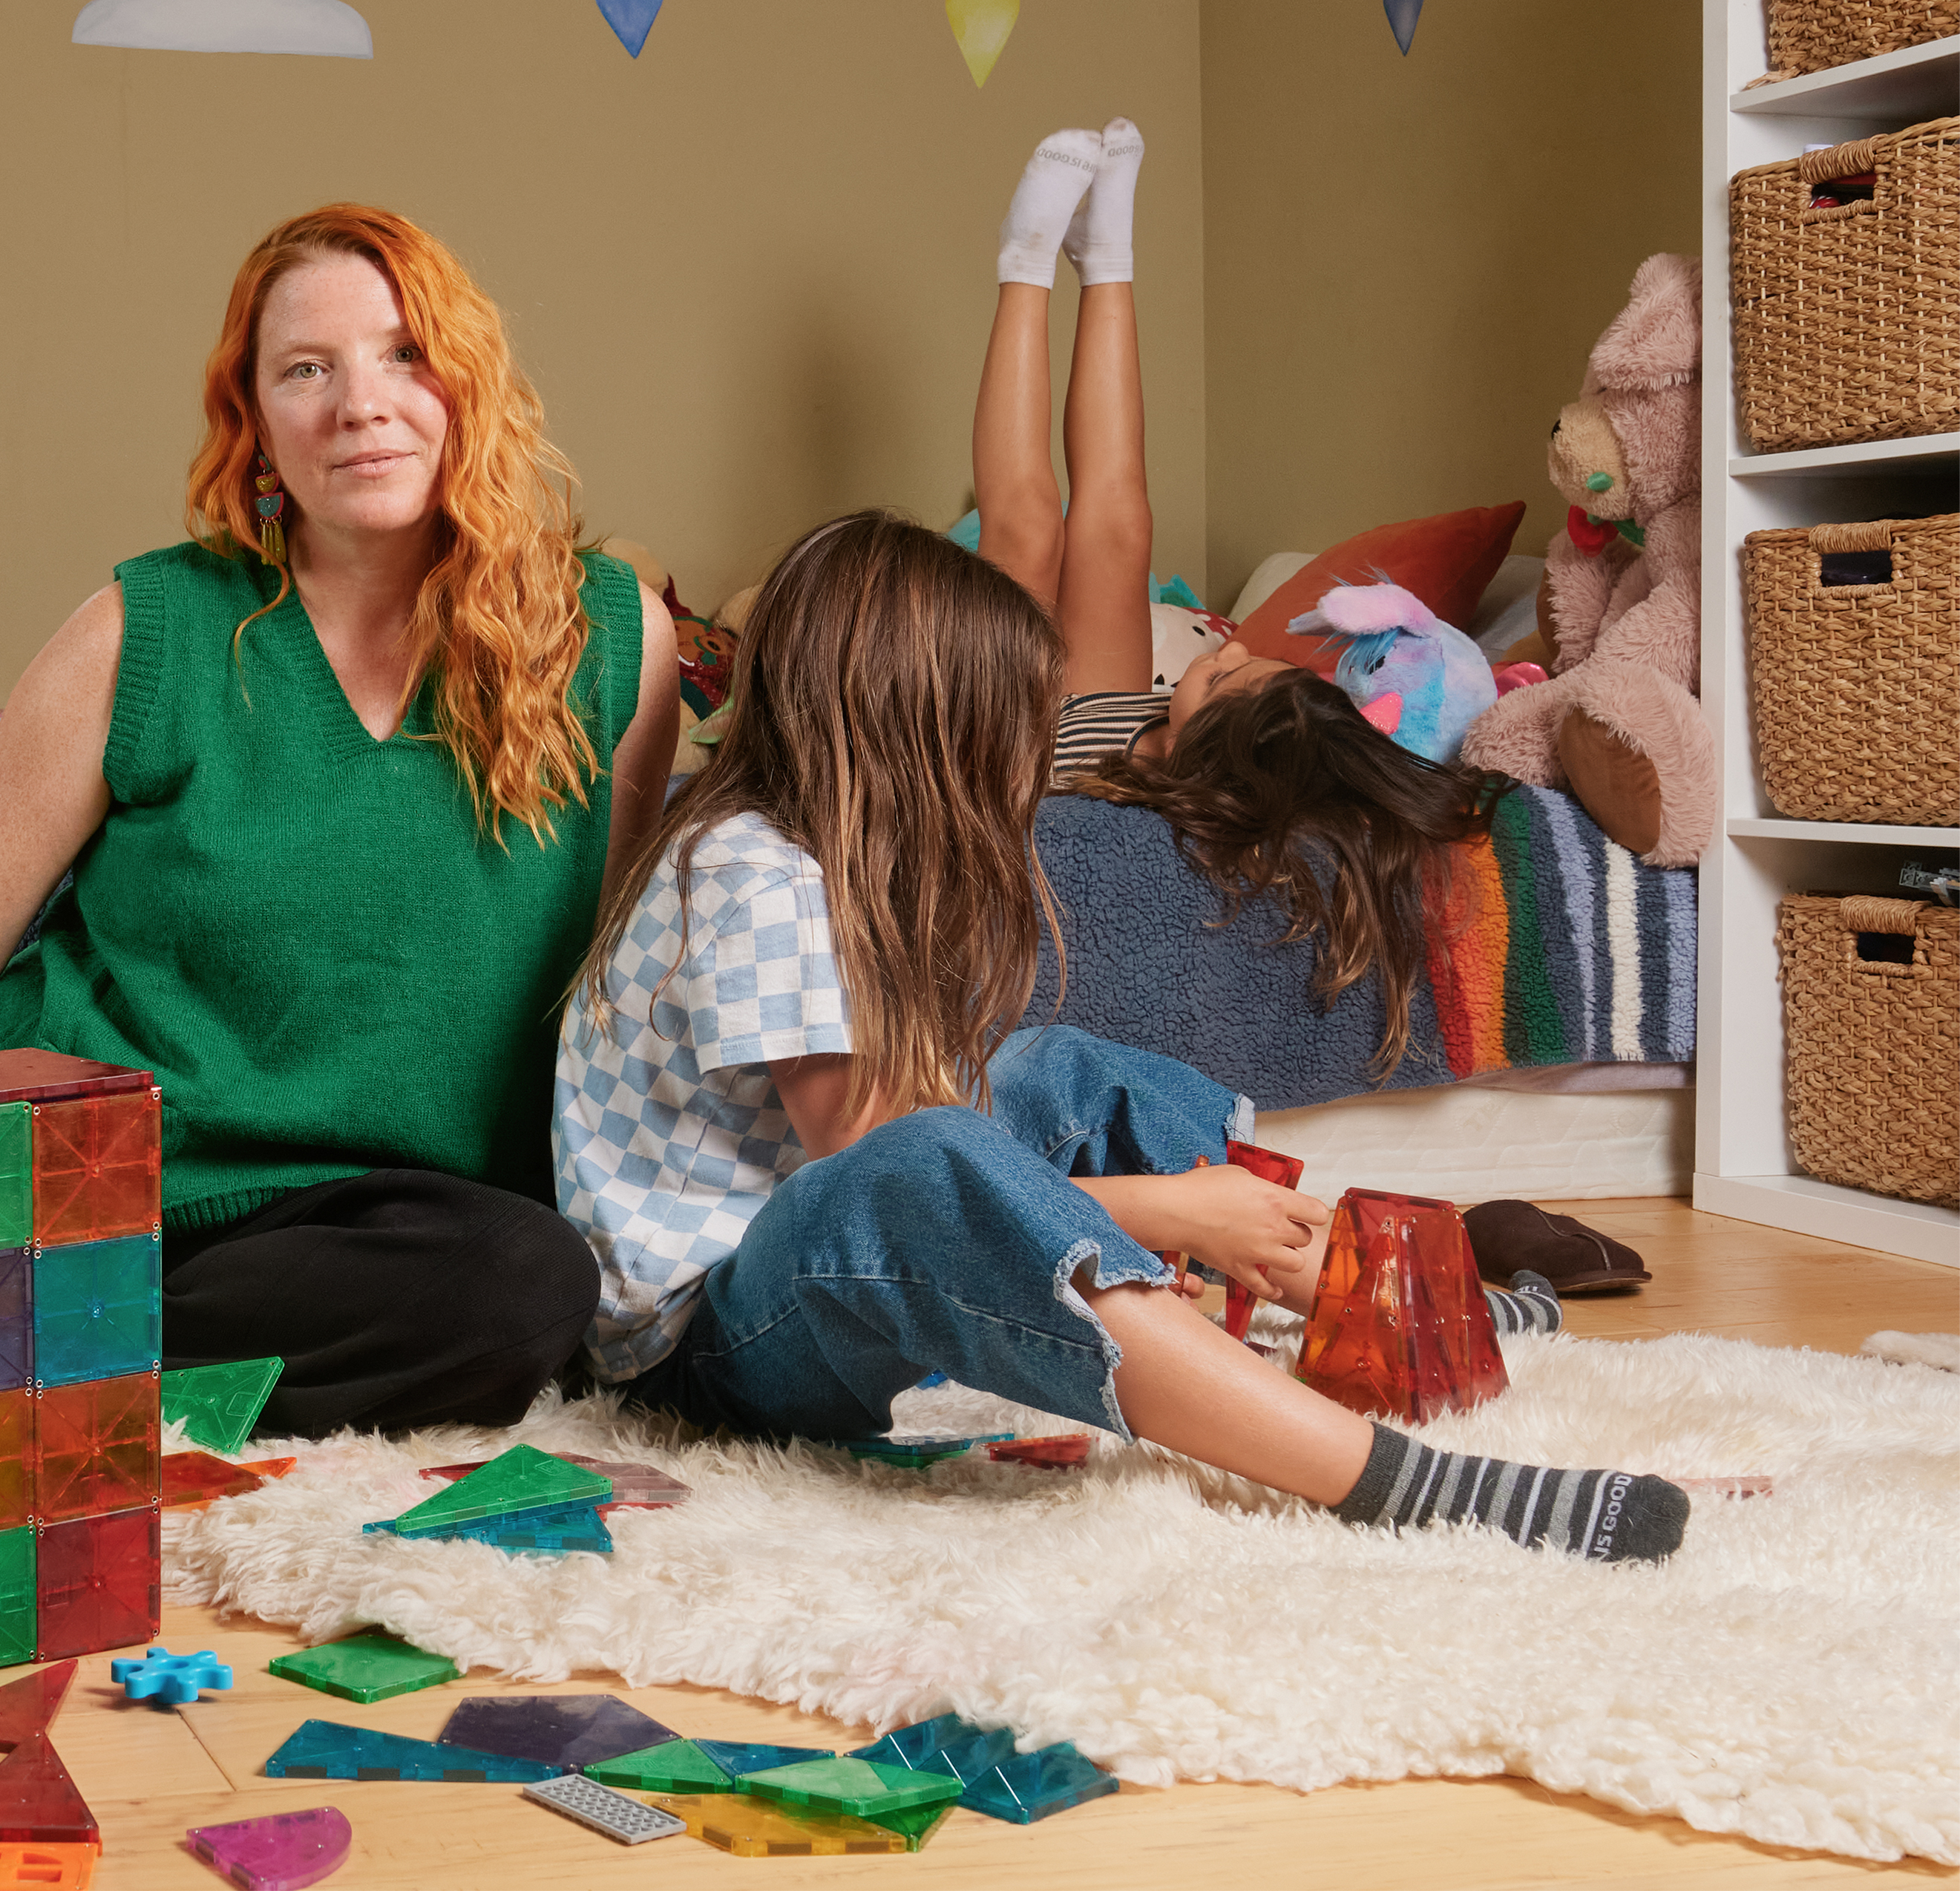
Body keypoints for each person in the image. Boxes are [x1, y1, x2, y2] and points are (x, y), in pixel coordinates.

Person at [554, 512, 1686, 1563]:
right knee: (927, 1164)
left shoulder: (808, 862)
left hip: (787, 1260)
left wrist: (1190, 1202)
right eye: (1012, 732)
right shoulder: (754, 882)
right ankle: (1396, 1483)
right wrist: (1168, 1212)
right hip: (699, 1356)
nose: (1029, 764)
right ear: (921, 733)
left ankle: (1384, 1299)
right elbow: (884, 1173)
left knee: (1059, 1069)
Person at [0, 201, 684, 1438]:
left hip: (375, 1227)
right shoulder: (138, 632)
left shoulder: (615, 640)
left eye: (402, 353)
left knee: (525, 1286)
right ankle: (21, 1358)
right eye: (306, 370)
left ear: (465, 384)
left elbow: (612, 991)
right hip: (78, 1170)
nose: (361, 403)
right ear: (256, 420)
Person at [975, 121, 1501, 1077]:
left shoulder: (1178, 828)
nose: (1219, 653)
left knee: (1023, 532)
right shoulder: (1194, 736)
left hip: (1015, 744)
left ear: (1206, 757)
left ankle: (1023, 263)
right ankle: (1108, 258)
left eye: (1217, 677)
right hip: (1107, 722)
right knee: (1122, 524)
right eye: (1238, 658)